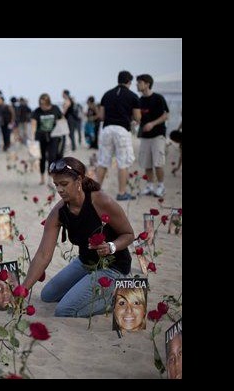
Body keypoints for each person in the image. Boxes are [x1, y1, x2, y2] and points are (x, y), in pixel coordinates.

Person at [21, 157, 135, 317]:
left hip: (113, 267)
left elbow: (129, 234)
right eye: (56, 185)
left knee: (64, 310)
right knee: (47, 295)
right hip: (86, 263)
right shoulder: (59, 211)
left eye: (64, 184)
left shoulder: (101, 201)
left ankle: (120, 295)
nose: (59, 189)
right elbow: (43, 255)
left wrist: (111, 246)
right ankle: (87, 286)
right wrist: (23, 290)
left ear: (79, 180)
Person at [96, 71, 141, 201]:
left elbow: (101, 116)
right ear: (129, 82)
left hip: (107, 128)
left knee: (103, 161)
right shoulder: (132, 96)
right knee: (123, 162)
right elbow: (137, 117)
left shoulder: (107, 94)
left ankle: (96, 191)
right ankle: (121, 193)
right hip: (122, 129)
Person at [135, 74, 170, 197]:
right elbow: (138, 117)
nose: (137, 85)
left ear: (147, 84)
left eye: (139, 83)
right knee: (147, 163)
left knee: (158, 162)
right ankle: (149, 186)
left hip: (158, 135)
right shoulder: (139, 100)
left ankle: (161, 186)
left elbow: (166, 116)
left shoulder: (158, 98)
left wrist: (152, 124)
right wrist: (136, 121)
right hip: (145, 136)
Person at [30, 93, 65, 186]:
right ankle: (42, 178)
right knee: (42, 158)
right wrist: (32, 138)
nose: (42, 106)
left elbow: (61, 120)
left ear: (48, 102)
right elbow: (33, 124)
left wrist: (63, 131)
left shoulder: (55, 109)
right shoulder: (37, 111)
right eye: (40, 104)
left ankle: (51, 178)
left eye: (44, 104)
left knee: (52, 157)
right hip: (40, 137)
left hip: (54, 137)